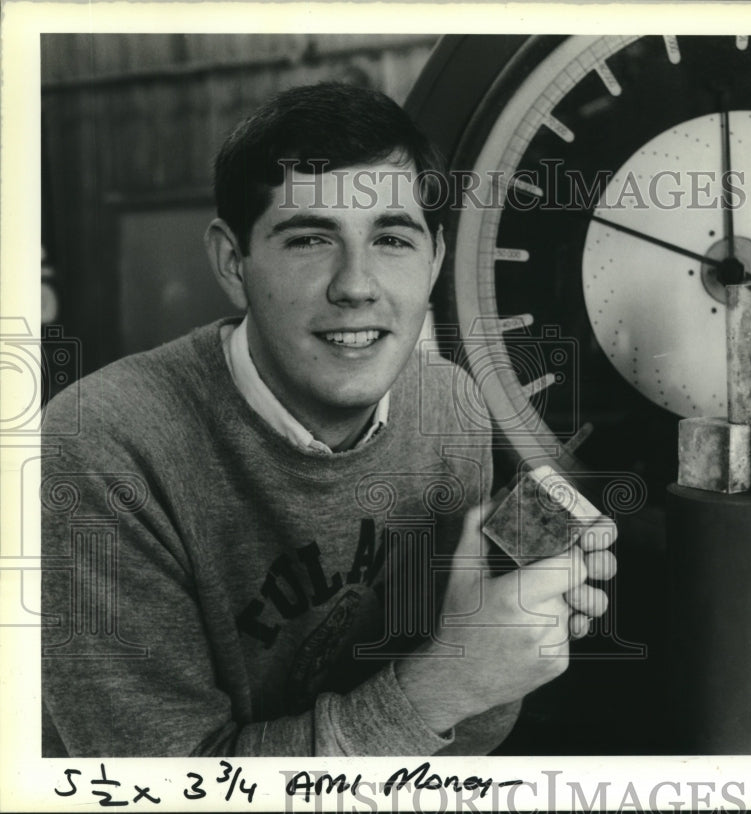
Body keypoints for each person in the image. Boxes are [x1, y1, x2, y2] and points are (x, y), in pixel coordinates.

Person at [40, 81, 617, 757]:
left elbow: (452, 745)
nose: (356, 284)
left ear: (434, 258)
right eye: (311, 238)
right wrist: (451, 682)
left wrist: (505, 631)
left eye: (392, 239)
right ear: (233, 263)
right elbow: (162, 792)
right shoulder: (99, 447)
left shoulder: (450, 407)